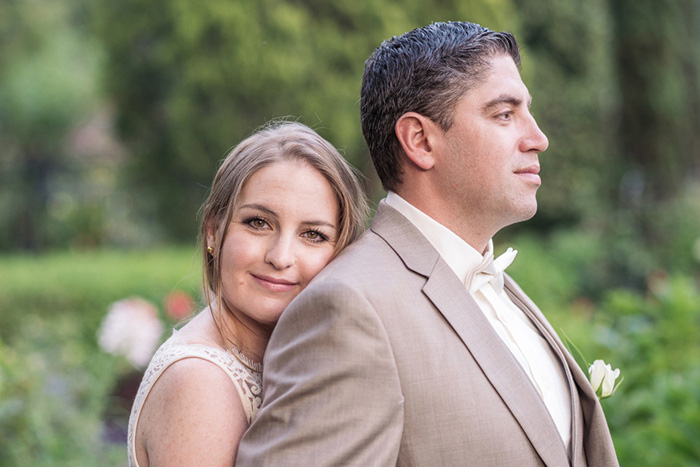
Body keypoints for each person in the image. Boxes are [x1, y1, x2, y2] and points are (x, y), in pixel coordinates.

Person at [237, 21, 619, 466]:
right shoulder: (349, 310)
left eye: (527, 112)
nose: (538, 138)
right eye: (504, 114)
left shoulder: (495, 284)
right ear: (420, 140)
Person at [126, 121, 369, 466]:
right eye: (259, 222)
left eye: (313, 234)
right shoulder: (199, 381)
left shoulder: (291, 359)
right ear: (213, 230)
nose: (280, 257)